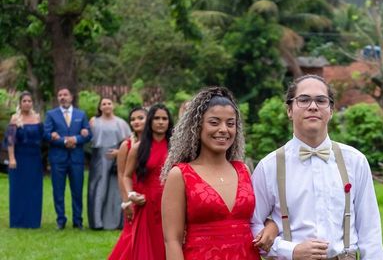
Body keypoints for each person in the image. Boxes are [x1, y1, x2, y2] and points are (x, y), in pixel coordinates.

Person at [251, 74, 383, 260]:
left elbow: (370, 231)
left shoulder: (355, 161)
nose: (313, 106)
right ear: (289, 110)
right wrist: (290, 250)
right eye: (304, 100)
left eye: (321, 100)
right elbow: (252, 225)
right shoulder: (269, 167)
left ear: (331, 110)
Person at [161, 86, 277, 260]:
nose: (224, 129)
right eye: (214, 122)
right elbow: (172, 241)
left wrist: (272, 227)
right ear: (197, 126)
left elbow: (258, 219)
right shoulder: (180, 174)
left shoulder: (243, 170)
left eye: (230, 123)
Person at [122, 103, 173, 260]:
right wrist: (131, 195)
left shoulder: (176, 148)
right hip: (147, 206)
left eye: (164, 118)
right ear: (150, 121)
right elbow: (126, 176)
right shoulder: (138, 148)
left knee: (170, 245)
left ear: (169, 122)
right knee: (146, 249)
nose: (160, 122)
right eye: (156, 118)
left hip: (172, 204)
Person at [44, 87, 92, 230]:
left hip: (76, 159)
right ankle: (61, 220)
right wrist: (64, 141)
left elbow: (88, 134)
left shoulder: (80, 114)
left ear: (71, 97)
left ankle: (78, 221)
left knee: (77, 191)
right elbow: (47, 134)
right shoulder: (51, 114)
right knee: (58, 191)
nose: (62, 97)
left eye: (65, 95)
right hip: (58, 159)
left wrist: (76, 139)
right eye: (60, 95)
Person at [108, 106, 147, 260]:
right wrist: (126, 202)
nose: (136, 122)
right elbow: (121, 174)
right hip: (133, 194)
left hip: (151, 194)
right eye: (133, 119)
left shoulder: (158, 143)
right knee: (131, 235)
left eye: (140, 118)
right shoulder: (126, 145)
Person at [88, 98, 131, 230]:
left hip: (116, 158)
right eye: (103, 104)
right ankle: (97, 222)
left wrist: (119, 152)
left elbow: (130, 141)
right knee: (98, 188)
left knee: (116, 188)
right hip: (99, 158)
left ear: (113, 106)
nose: (106, 106)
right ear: (100, 107)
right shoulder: (94, 122)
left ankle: (116, 221)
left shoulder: (121, 123)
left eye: (109, 103)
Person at [6, 91, 44, 228]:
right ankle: (18, 220)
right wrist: (12, 158)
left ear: (32, 103)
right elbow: (10, 140)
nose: (27, 103)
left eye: (29, 101)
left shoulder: (37, 118)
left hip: (34, 158)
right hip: (19, 157)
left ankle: (33, 221)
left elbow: (42, 137)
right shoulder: (15, 119)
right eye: (24, 101)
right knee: (18, 189)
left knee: (34, 189)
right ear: (20, 103)